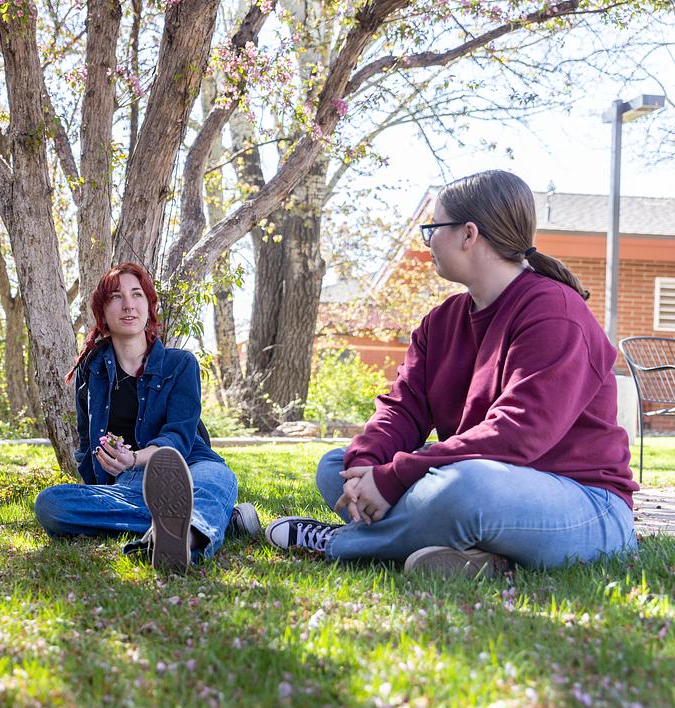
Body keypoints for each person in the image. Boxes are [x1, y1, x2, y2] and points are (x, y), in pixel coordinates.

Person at [265, 170, 638, 577]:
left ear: (468, 234)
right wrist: (369, 464)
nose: (427, 242)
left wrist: (395, 477)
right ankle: (478, 556)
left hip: (584, 504)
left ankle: (338, 542)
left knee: (465, 488)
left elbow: (518, 434)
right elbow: (401, 410)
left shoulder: (555, 312)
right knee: (338, 466)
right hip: (486, 481)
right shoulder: (440, 322)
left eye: (432, 228)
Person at [32, 263, 259, 570]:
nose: (128, 304)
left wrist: (135, 457)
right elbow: (86, 443)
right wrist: (105, 470)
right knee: (51, 504)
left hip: (193, 465)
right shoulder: (91, 369)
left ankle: (181, 540)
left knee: (213, 482)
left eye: (137, 294)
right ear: (102, 313)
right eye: (116, 296)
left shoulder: (181, 364)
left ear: (149, 306)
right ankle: (211, 519)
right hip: (130, 484)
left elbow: (178, 437)